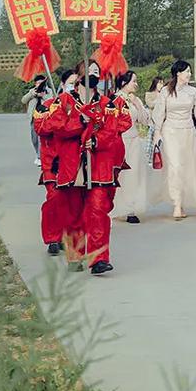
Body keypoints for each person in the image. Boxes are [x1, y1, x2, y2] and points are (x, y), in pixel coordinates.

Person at [79, 81, 132, 274]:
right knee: (76, 211)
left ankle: (98, 258)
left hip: (101, 163)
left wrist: (95, 139)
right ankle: (75, 251)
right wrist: (79, 125)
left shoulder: (108, 104)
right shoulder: (65, 102)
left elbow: (115, 128)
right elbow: (49, 127)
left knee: (99, 208)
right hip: (73, 164)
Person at [152, 59, 196, 219]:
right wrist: (157, 132)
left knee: (187, 167)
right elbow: (159, 112)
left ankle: (181, 201)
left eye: (190, 71)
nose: (189, 74)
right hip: (170, 131)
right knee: (175, 166)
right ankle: (176, 204)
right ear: (178, 73)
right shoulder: (166, 91)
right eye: (187, 71)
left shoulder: (192, 92)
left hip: (188, 132)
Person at [39, 69, 88, 269]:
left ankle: (82, 250)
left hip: (82, 163)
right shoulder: (51, 105)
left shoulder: (88, 104)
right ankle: (53, 238)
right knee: (56, 200)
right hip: (55, 161)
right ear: (62, 84)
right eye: (71, 82)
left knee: (80, 208)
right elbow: (42, 128)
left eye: (77, 83)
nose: (75, 86)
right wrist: (68, 118)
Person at [112, 71, 151, 224]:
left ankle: (131, 208)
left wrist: (137, 104)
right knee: (121, 176)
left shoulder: (135, 100)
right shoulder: (114, 100)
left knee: (134, 175)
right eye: (134, 81)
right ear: (124, 83)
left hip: (134, 141)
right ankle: (118, 206)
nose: (136, 84)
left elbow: (145, 120)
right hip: (119, 141)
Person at [22, 74, 48, 165]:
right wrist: (33, 94)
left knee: (43, 138)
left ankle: (41, 156)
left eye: (41, 83)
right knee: (34, 139)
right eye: (38, 83)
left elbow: (52, 100)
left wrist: (43, 96)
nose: (39, 85)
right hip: (34, 119)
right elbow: (23, 100)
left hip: (46, 118)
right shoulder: (32, 92)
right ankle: (38, 154)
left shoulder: (49, 91)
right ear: (35, 84)